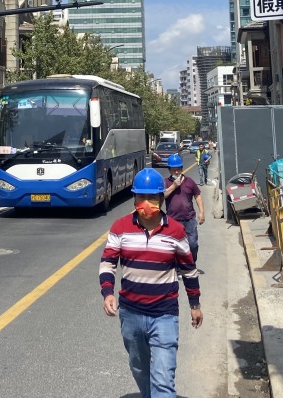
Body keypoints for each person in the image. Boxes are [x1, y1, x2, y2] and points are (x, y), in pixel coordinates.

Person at [100, 167, 201, 398]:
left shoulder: (175, 231)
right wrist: (107, 293)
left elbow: (189, 270)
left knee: (163, 380)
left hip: (164, 314)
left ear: (161, 198)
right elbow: (108, 263)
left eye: (152, 197)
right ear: (134, 198)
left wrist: (195, 305)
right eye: (141, 197)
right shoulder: (120, 228)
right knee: (139, 368)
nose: (147, 202)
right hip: (131, 314)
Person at [164, 153, 205, 266]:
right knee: (175, 246)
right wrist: (173, 186)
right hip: (173, 220)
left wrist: (202, 212)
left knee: (192, 245)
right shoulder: (166, 182)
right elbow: (161, 196)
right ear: (169, 170)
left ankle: (191, 263)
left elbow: (198, 196)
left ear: (182, 169)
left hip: (189, 219)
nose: (176, 172)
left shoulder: (189, 181)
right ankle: (178, 268)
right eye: (174, 170)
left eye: (178, 169)